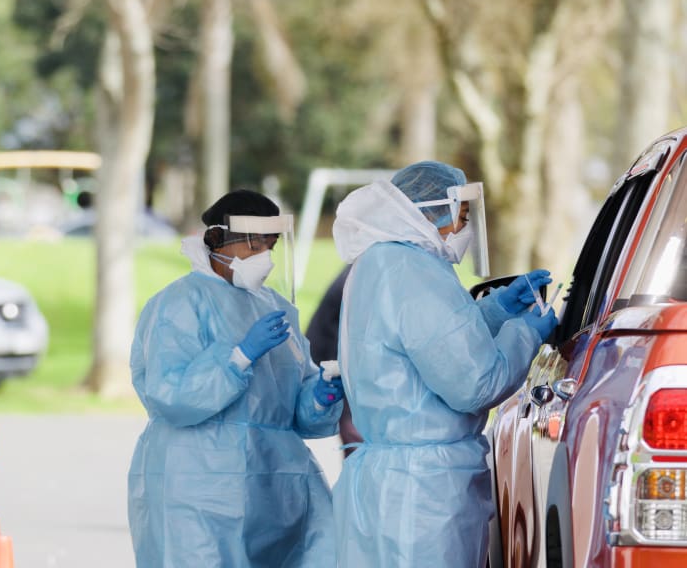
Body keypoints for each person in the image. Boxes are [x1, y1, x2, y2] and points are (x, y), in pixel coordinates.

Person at [329, 161, 558, 567]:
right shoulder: (413, 272)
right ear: (433, 210)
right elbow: (475, 384)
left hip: (392, 479)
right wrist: (525, 334)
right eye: (461, 217)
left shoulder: (381, 263)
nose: (464, 230)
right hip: (423, 494)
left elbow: (432, 342)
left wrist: (496, 311)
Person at [128, 189, 344, 566]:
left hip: (276, 485)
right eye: (253, 245)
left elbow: (296, 410)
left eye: (269, 246)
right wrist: (239, 358)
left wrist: (321, 396)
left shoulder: (277, 309)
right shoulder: (178, 304)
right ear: (216, 241)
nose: (263, 258)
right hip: (199, 485)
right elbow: (170, 397)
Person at [304, 264, 363, 455]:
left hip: (335, 359)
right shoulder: (363, 276)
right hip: (334, 363)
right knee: (356, 439)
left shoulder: (361, 270)